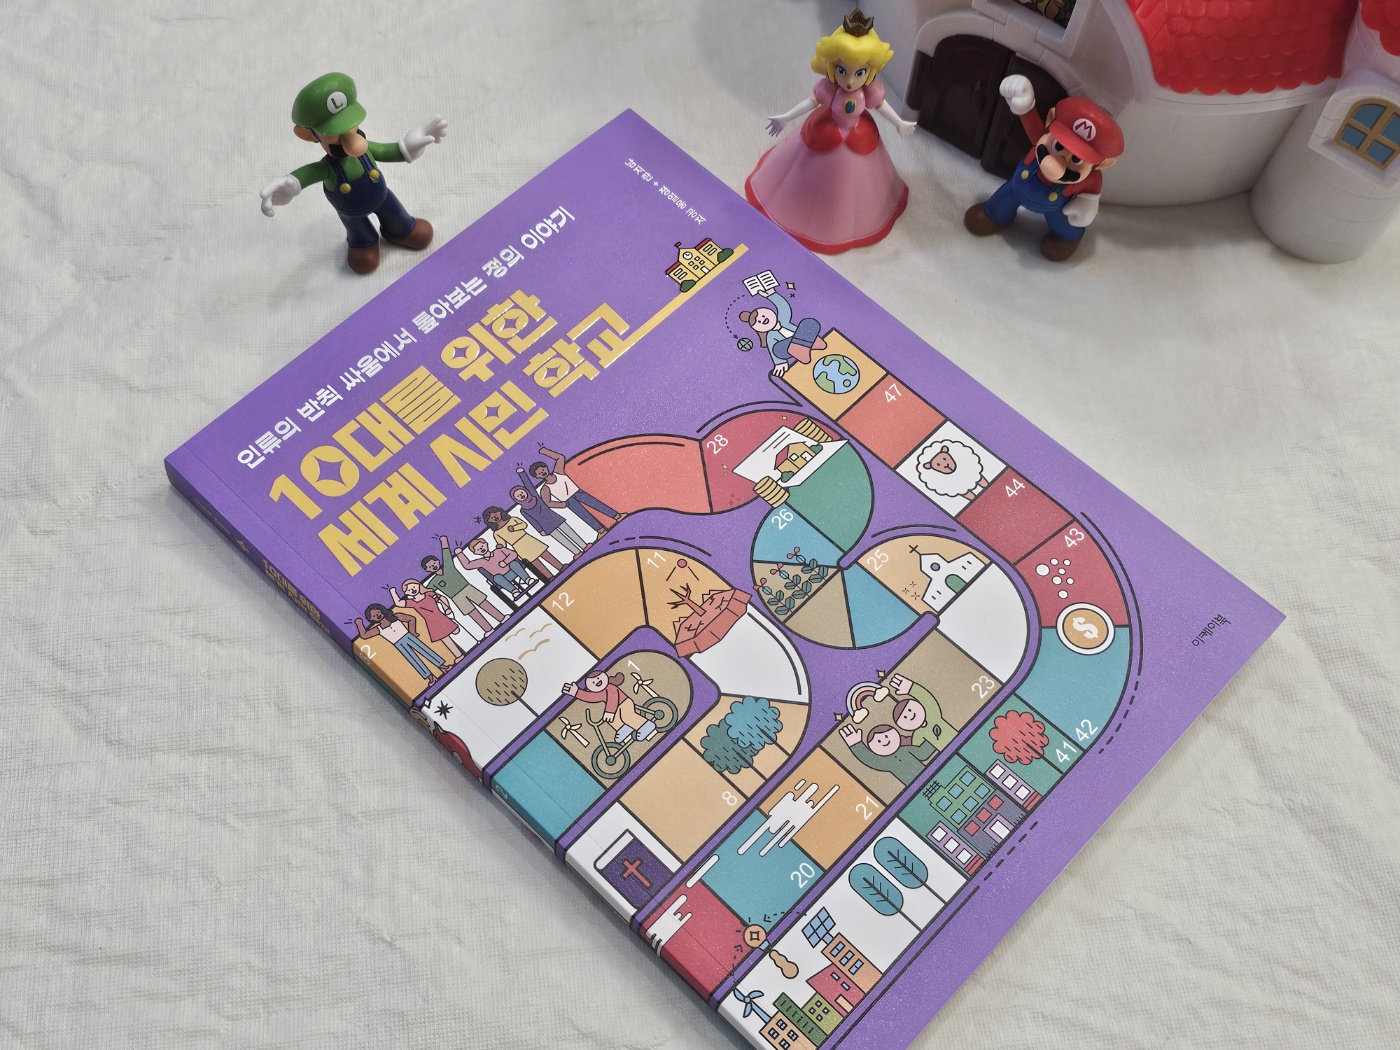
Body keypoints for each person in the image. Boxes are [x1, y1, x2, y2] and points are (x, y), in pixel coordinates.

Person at [745, 9, 916, 254]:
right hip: (825, 134)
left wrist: (899, 123)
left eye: (859, 72)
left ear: (870, 71)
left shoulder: (869, 92)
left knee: (855, 189)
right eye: (842, 70)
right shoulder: (828, 89)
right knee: (805, 178)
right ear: (832, 67)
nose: (850, 80)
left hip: (859, 138)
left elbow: (881, 106)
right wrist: (786, 117)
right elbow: (811, 102)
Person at [259, 73, 446, 274]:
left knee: (399, 218)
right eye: (335, 132)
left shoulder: (367, 148)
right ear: (308, 135)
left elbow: (388, 151)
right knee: (360, 241)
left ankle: (400, 229)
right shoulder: (328, 168)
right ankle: (363, 243)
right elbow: (309, 173)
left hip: (382, 197)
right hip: (350, 211)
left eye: (352, 126)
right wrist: (292, 183)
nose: (352, 140)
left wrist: (409, 146)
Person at [963, 75, 1124, 261]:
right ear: (1050, 121)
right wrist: (1024, 104)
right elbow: (1029, 120)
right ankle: (994, 215)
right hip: (1017, 189)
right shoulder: (1039, 139)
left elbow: (1091, 192)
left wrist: (1086, 206)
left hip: (1056, 207)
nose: (1057, 162)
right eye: (1058, 145)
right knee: (1002, 201)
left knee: (1066, 224)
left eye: (1077, 159)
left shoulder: (1091, 178)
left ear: (1102, 165)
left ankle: (1067, 238)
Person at [420, 536, 508, 636]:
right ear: (427, 570)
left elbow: (446, 554)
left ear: (438, 561)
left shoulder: (448, 566)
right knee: (472, 613)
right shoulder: (434, 581)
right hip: (456, 597)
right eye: (430, 567)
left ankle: (501, 618)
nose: (433, 566)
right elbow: (426, 591)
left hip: (467, 588)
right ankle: (488, 629)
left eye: (434, 563)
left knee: (484, 604)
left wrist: (444, 541)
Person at [528, 447, 624, 532]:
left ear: (546, 467)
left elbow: (560, 458)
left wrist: (545, 451)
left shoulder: (558, 472)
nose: (543, 473)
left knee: (596, 504)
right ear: (537, 477)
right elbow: (548, 502)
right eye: (539, 473)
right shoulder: (545, 488)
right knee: (584, 515)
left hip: (578, 492)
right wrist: (561, 505)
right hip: (569, 501)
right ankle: (600, 530)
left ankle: (617, 516)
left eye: (542, 470)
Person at [355, 603, 447, 693]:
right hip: (398, 644)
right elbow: (364, 635)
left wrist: (412, 632)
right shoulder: (379, 629)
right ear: (371, 619)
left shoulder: (395, 617)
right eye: (374, 616)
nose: (377, 616)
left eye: (378, 612)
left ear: (382, 610)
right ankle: (430, 677)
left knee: (425, 651)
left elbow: (411, 619)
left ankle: (442, 666)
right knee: (414, 660)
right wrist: (359, 623)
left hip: (408, 636)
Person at [740, 293, 827, 377]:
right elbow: (773, 351)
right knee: (777, 349)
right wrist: (780, 363)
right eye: (759, 321)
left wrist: (772, 295)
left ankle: (807, 346)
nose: (763, 319)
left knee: (809, 322)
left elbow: (783, 307)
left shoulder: (783, 319)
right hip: (789, 348)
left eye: (763, 316)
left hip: (799, 339)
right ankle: (808, 344)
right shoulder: (770, 336)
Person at [563, 671, 656, 745]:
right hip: (615, 708)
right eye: (593, 682)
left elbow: (613, 698)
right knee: (611, 719)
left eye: (598, 678)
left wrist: (609, 711)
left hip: (624, 702)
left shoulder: (610, 687)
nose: (597, 682)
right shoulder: (600, 692)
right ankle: (624, 729)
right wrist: (576, 692)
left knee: (626, 716)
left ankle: (645, 726)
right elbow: (591, 697)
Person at [512, 472, 588, 556]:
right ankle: (576, 552)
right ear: (516, 499)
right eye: (518, 496)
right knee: (561, 539)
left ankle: (584, 545)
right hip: (545, 525)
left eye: (522, 493)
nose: (521, 495)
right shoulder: (523, 510)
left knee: (570, 532)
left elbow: (528, 484)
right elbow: (532, 521)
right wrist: (540, 530)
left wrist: (522, 473)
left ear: (526, 491)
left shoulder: (535, 496)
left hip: (554, 517)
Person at [481, 506, 566, 581]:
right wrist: (500, 546)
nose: (495, 517)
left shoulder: (512, 519)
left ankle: (560, 567)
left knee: (544, 553)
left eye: (495, 514)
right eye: (491, 517)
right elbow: (502, 543)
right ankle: (549, 576)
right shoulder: (496, 533)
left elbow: (524, 525)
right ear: (489, 521)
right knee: (534, 561)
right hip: (518, 546)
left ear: (500, 512)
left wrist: (514, 528)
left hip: (527, 539)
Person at [839, 721, 937, 786]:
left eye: (886, 736)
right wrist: (856, 744)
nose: (884, 741)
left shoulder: (905, 749)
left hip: (930, 775)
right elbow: (870, 759)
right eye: (878, 741)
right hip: (914, 786)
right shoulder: (886, 762)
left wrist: (935, 736)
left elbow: (923, 753)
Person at [391, 580, 467, 663]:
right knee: (445, 638)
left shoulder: (428, 594)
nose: (412, 590)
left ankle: (466, 644)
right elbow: (399, 603)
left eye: (413, 587)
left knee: (456, 631)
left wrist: (447, 608)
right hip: (431, 623)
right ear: (407, 593)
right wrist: (393, 592)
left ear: (418, 585)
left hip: (440, 617)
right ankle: (459, 655)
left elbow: (442, 599)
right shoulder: (413, 603)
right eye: (409, 590)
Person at [884, 673, 956, 751]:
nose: (910, 715)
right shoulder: (917, 736)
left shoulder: (932, 714)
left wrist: (911, 688)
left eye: (909, 710)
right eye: (905, 717)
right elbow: (919, 750)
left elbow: (927, 699)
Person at [455, 538, 535, 598]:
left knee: (514, 564)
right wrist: (459, 554)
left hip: (513, 571)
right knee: (496, 578)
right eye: (478, 549)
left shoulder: (499, 551)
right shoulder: (481, 562)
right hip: (503, 579)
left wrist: (505, 562)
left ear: (486, 544)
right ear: (475, 553)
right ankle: (514, 591)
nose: (482, 549)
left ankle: (527, 579)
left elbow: (513, 554)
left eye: (482, 546)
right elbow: (468, 565)